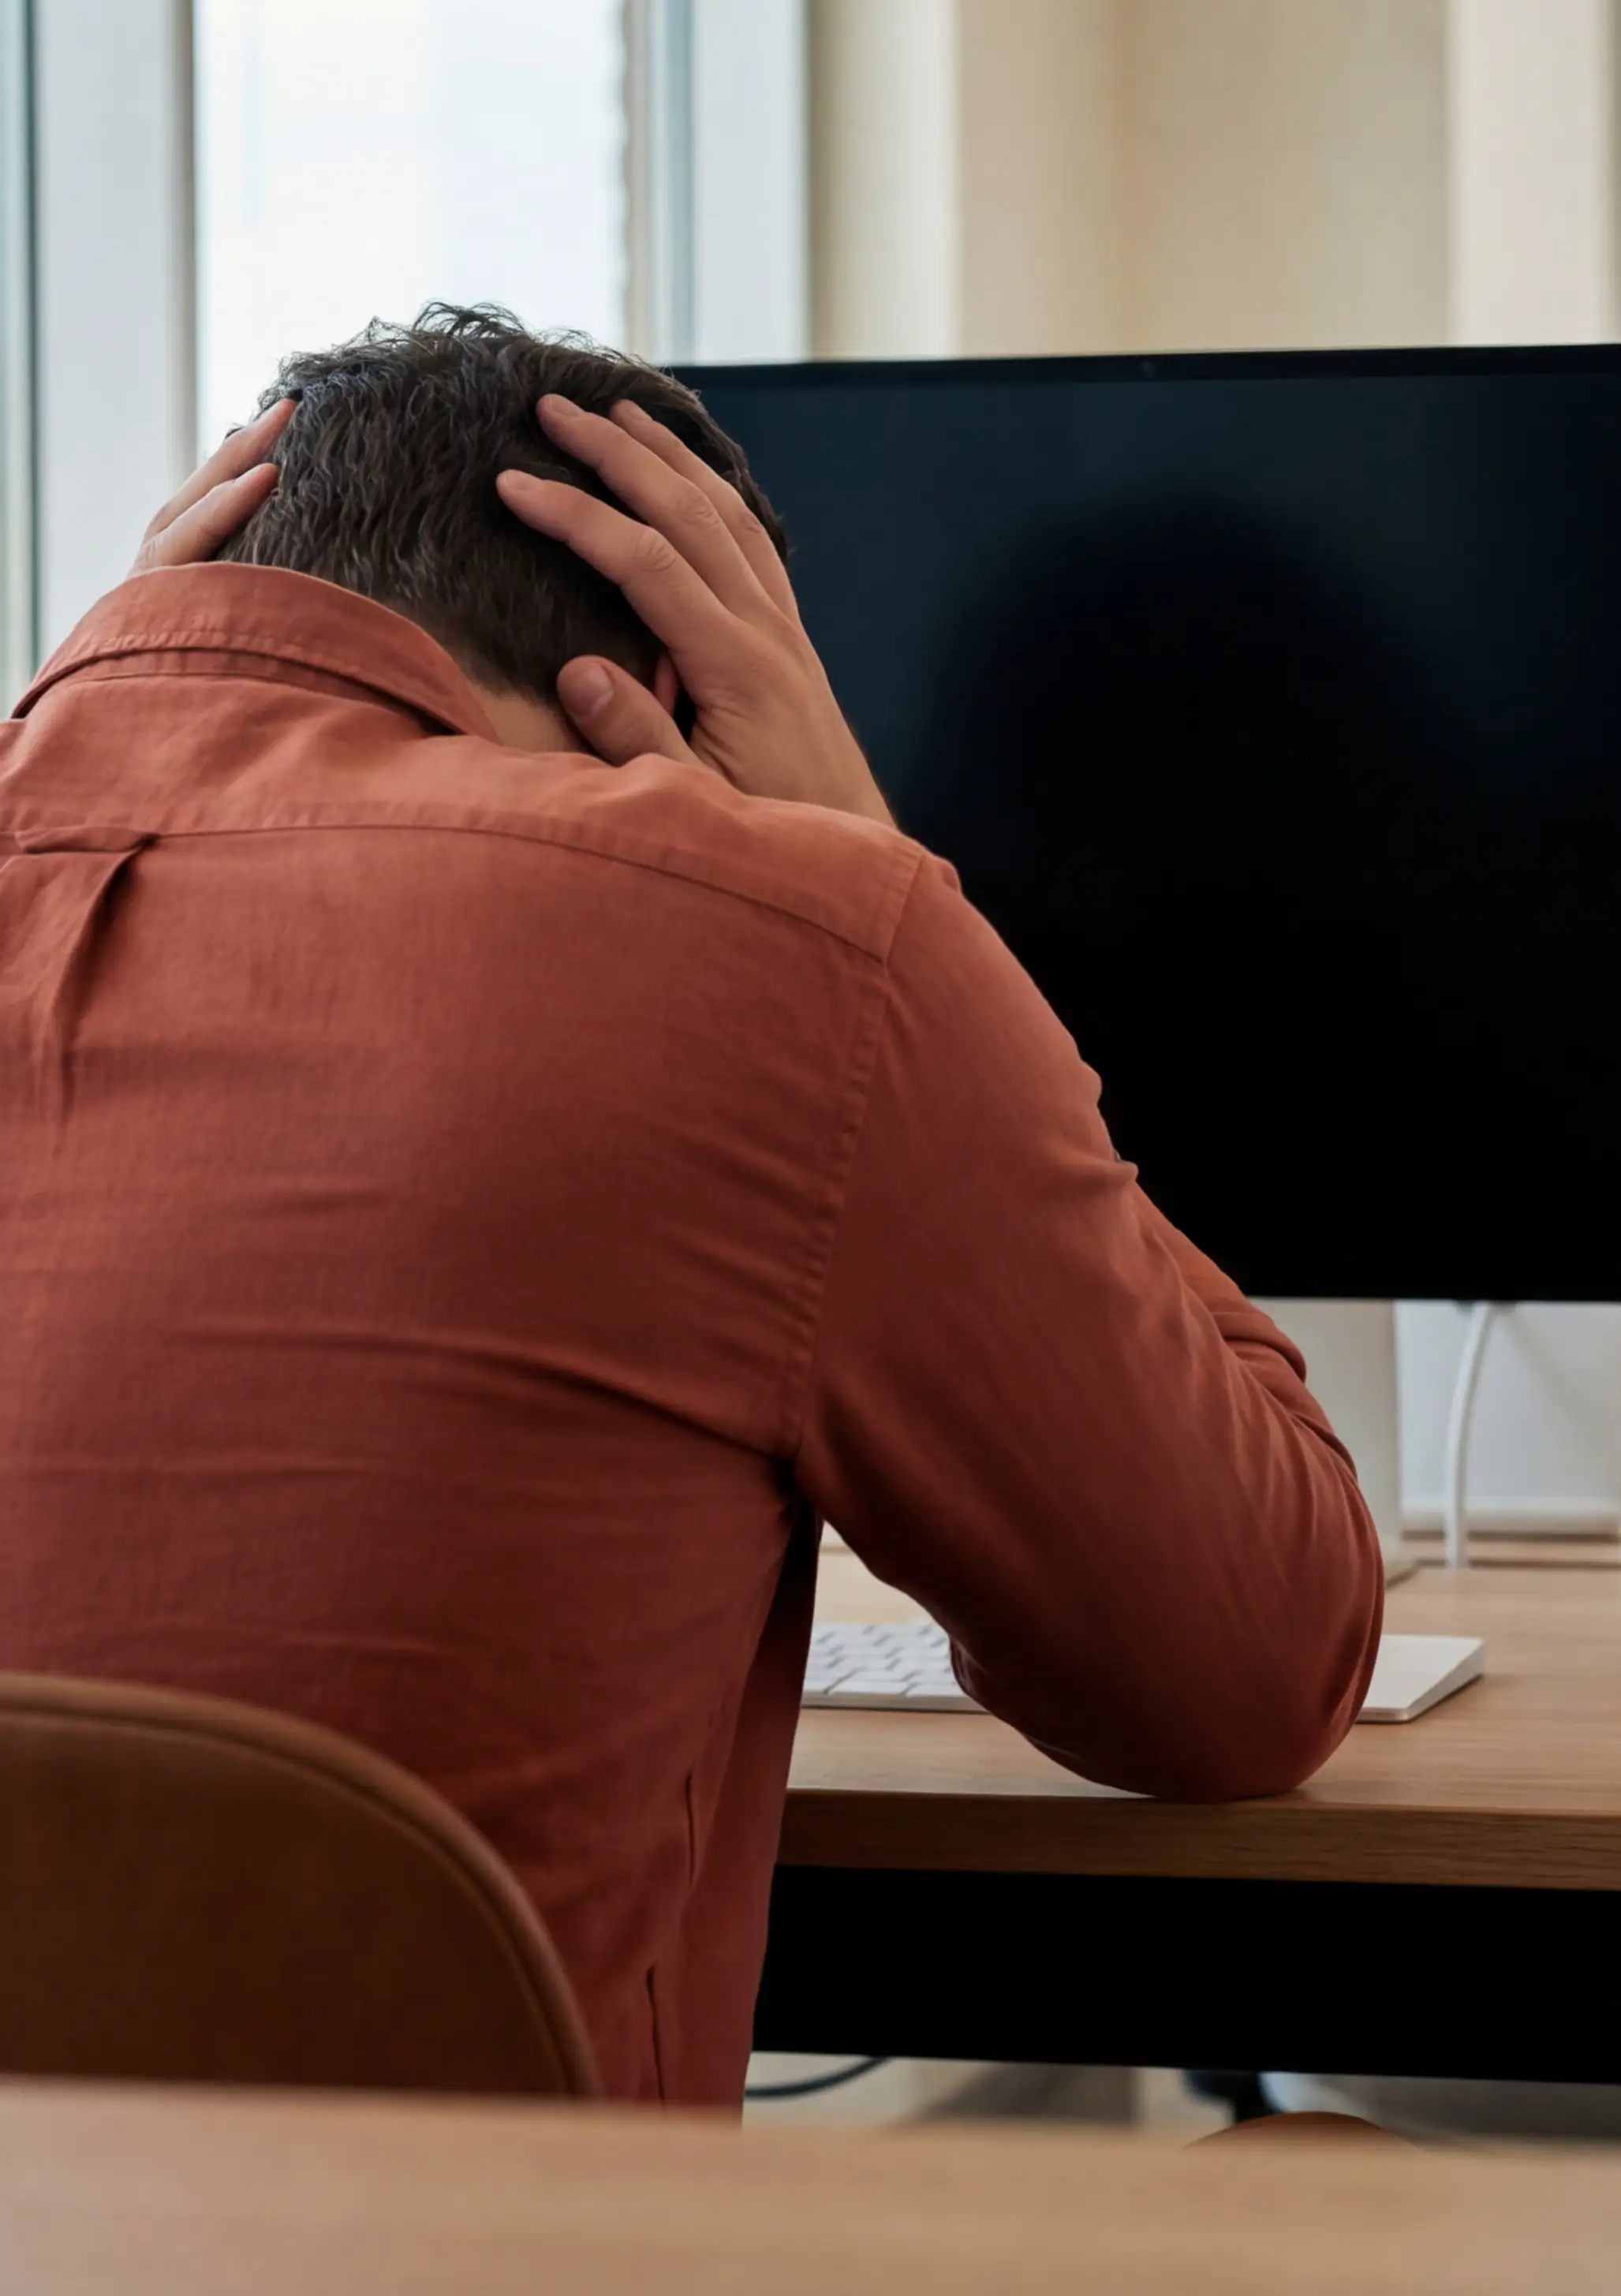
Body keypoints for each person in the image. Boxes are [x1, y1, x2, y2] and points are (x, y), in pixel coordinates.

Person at [0, 306, 1384, 2103]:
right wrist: (866, 867)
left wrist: (119, 718)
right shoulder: (777, 939)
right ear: (663, 696)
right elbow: (1254, 1669)